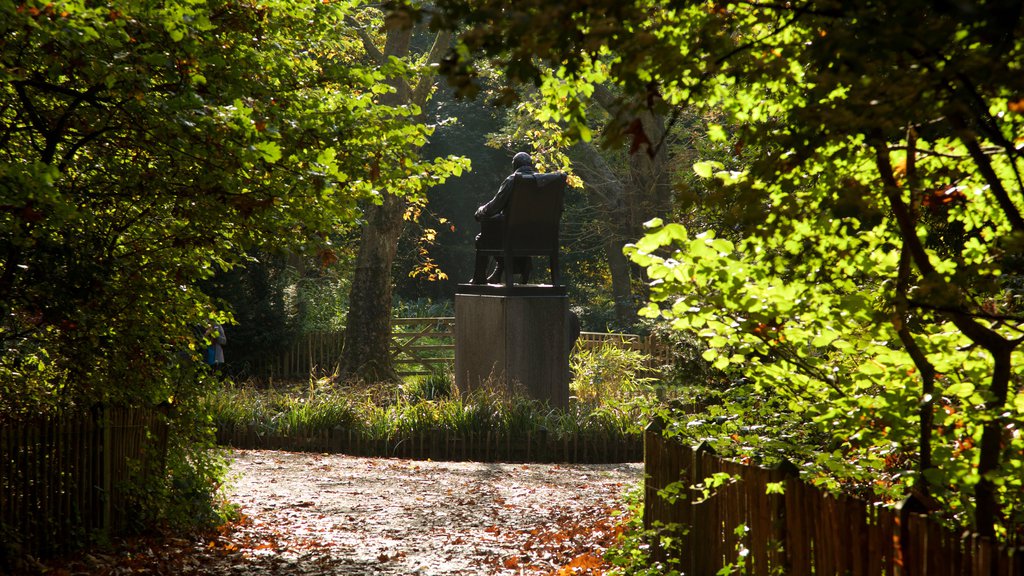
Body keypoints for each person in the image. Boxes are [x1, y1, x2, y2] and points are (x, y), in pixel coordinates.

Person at [470, 151, 536, 284]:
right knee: (499, 234)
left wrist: (480, 211)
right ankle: (500, 271)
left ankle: (479, 277)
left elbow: (494, 207)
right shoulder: (544, 182)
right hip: (537, 237)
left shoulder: (513, 180)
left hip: (513, 235)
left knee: (483, 238)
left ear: (515, 166)